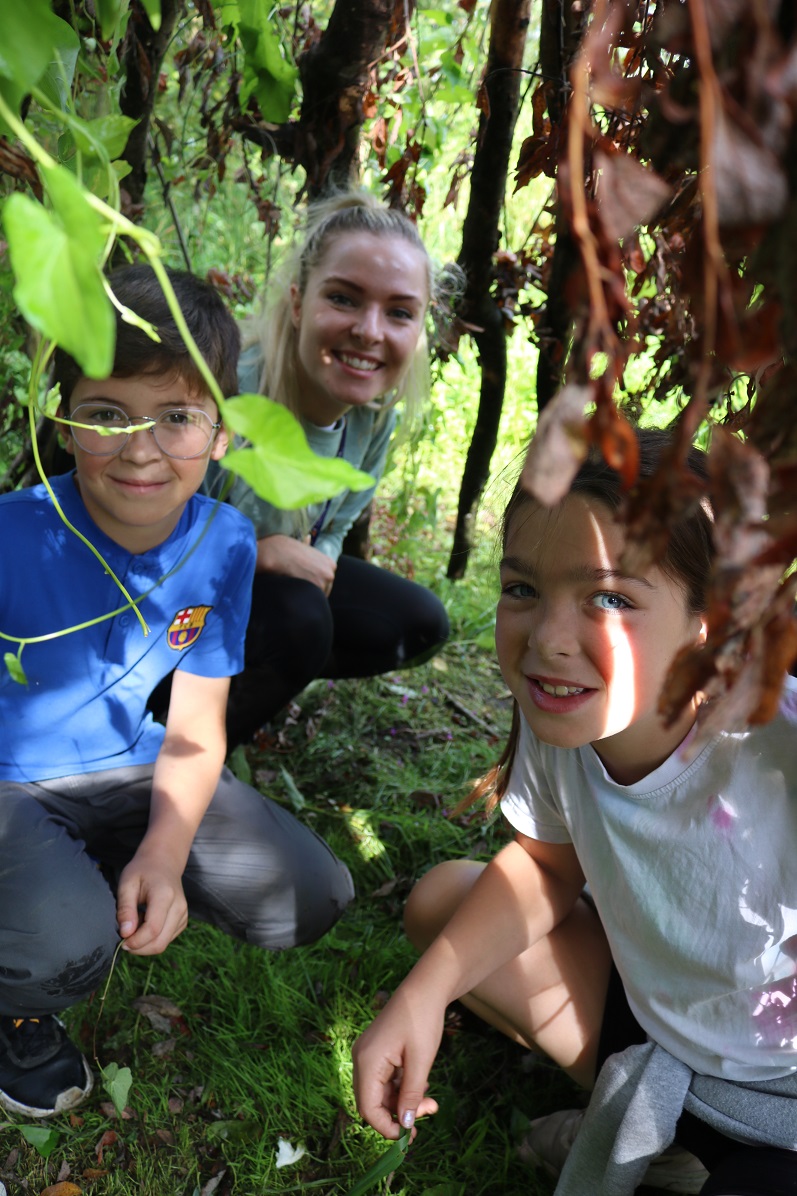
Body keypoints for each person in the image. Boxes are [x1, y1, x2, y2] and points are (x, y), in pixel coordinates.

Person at [352, 427, 797, 1196]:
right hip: (661, 1034)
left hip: (781, 1096)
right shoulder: (567, 712)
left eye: (610, 598)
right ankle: (670, 1140)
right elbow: (545, 866)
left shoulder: (775, 741)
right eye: (522, 588)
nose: (548, 640)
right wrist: (418, 997)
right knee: (442, 906)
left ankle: (688, 1155)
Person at [0, 265, 353, 1120]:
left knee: (311, 892)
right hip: (10, 782)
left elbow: (196, 725)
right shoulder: (15, 532)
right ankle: (20, 1009)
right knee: (67, 948)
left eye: (178, 418)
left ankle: (82, 873)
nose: (142, 448)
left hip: (127, 765)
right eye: (107, 414)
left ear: (222, 434)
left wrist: (163, 850)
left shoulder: (225, 544)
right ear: (65, 416)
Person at [203, 190, 453, 748]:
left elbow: (335, 525)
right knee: (300, 621)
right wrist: (258, 554)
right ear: (297, 302)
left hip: (257, 592)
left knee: (417, 620)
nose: (370, 331)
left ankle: (230, 699)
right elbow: (139, 546)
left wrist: (315, 562)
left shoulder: (374, 413)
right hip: (164, 604)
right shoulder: (226, 394)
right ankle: (175, 745)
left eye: (399, 312)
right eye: (343, 299)